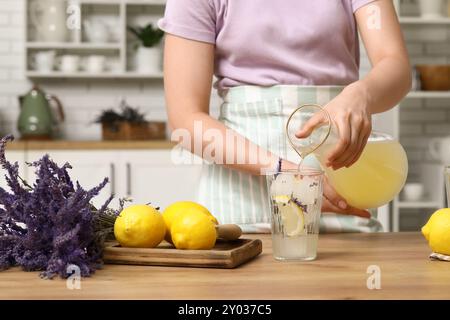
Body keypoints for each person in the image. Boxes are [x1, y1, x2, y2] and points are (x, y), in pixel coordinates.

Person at [158, 0, 411, 233]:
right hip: (242, 206)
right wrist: (282, 172)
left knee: (351, 280)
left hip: (340, 189)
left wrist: (360, 95)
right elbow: (186, 120)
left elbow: (395, 66)